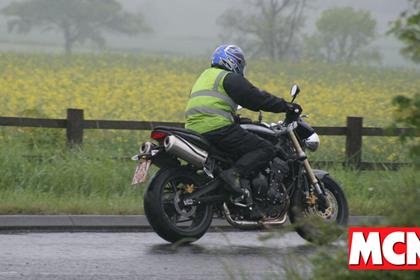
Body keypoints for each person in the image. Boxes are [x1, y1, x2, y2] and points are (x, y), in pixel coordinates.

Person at [185, 44, 301, 201]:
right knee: (266, 148)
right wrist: (285, 106)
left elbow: (211, 106)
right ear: (232, 62)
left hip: (193, 130)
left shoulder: (204, 77)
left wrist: (235, 118)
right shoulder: (228, 77)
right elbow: (255, 97)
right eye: (240, 63)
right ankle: (234, 174)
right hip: (217, 128)